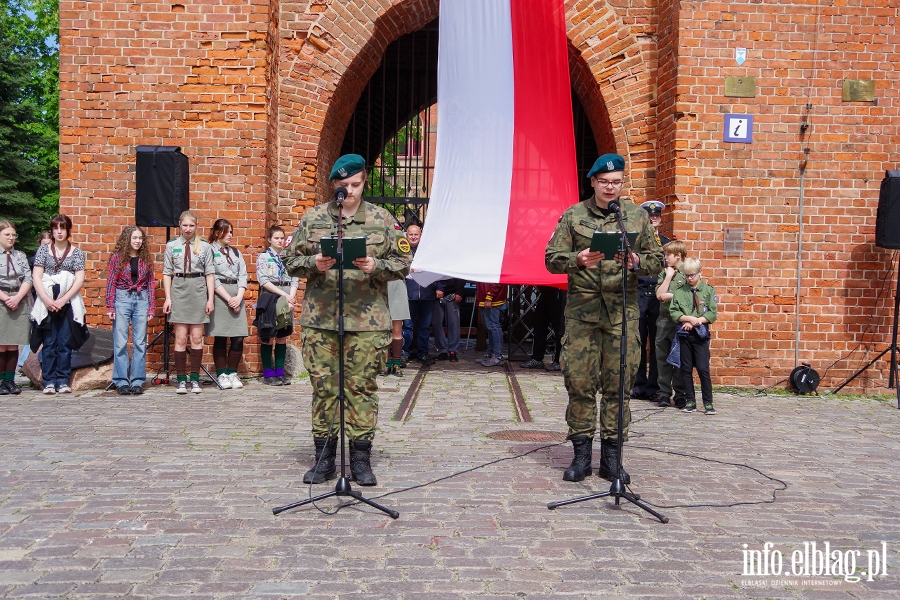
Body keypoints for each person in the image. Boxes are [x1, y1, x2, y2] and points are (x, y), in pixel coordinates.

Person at [284, 153, 411, 486]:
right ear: (334, 186)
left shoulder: (383, 219)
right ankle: (324, 460)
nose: (350, 191)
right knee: (324, 389)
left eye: (356, 184)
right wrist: (314, 262)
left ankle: (360, 460)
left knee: (361, 388)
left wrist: (377, 266)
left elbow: (404, 263)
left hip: (367, 324)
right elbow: (289, 260)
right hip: (321, 320)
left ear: (364, 181)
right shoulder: (312, 219)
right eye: (344, 186)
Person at [545, 153, 664, 484]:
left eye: (617, 182)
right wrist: (577, 259)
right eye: (605, 182)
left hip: (620, 314)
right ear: (593, 182)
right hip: (582, 313)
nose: (611, 188)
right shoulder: (574, 215)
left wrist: (638, 261)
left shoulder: (636, 217)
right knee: (579, 383)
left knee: (619, 384)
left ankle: (612, 458)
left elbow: (657, 260)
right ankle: (581, 457)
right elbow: (551, 259)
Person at [31, 214, 87, 394]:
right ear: (52, 230)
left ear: (68, 230)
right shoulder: (43, 251)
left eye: (63, 228)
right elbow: (37, 277)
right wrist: (47, 300)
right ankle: (48, 380)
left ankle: (62, 379)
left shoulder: (77, 252)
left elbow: (79, 279)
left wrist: (63, 299)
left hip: (68, 302)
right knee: (49, 343)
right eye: (56, 228)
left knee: (64, 342)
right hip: (47, 301)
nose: (59, 232)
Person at [162, 211, 215, 394]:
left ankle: (194, 379)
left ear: (196, 226)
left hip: (198, 289)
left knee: (196, 337)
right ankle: (181, 379)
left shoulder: (205, 246)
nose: (188, 229)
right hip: (179, 289)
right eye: (185, 225)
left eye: (191, 226)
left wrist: (210, 299)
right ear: (179, 225)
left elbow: (209, 273)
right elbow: (167, 273)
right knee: (181, 337)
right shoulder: (172, 246)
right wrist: (168, 298)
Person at [105, 226, 155, 395]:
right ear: (127, 239)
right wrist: (110, 305)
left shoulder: (146, 259)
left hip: (141, 299)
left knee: (140, 342)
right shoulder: (117, 258)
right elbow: (111, 282)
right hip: (122, 298)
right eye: (134, 238)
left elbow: (150, 285)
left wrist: (151, 307)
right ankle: (121, 381)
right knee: (120, 342)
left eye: (140, 238)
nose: (137, 241)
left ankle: (137, 380)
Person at [631, 200, 670, 401]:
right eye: (649, 216)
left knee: (657, 342)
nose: (653, 218)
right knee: (637, 341)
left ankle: (654, 386)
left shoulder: (666, 244)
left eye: (656, 216)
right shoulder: (636, 244)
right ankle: (638, 384)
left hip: (657, 295)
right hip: (639, 292)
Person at [669, 257, 718, 414]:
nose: (690, 278)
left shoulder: (708, 290)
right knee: (686, 369)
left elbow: (712, 312)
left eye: (692, 275)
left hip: (700, 335)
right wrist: (688, 319)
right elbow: (674, 311)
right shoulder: (679, 291)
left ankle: (708, 403)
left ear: (700, 273)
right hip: (684, 334)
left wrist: (696, 321)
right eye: (687, 275)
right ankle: (690, 401)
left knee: (703, 369)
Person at [206, 219, 249, 390]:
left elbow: (243, 275)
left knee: (238, 336)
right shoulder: (210, 250)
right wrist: (228, 299)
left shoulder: (236, 253)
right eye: (227, 231)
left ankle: (232, 373)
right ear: (217, 233)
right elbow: (211, 275)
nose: (230, 235)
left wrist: (238, 297)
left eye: (232, 232)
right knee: (221, 336)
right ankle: (222, 374)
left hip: (236, 294)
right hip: (220, 294)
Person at [254, 225, 298, 386]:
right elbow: (264, 280)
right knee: (268, 334)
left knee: (282, 334)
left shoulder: (287, 257)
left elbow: (294, 278)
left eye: (282, 238)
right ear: (269, 240)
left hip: (287, 298)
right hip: (271, 297)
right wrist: (284, 295)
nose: (280, 241)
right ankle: (267, 372)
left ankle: (280, 371)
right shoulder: (264, 257)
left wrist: (291, 297)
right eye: (276, 238)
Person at [654, 240, 689, 408]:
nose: (665, 257)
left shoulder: (689, 272)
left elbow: (690, 296)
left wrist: (672, 295)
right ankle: (664, 393)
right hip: (664, 318)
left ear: (678, 255)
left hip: (680, 320)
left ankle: (680, 394)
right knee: (662, 357)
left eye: (668, 255)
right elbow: (660, 295)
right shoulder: (665, 273)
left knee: (681, 358)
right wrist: (668, 277)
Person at [0, 221, 33, 394]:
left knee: (13, 345)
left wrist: (18, 297)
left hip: (18, 301)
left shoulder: (20, 255)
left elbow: (28, 278)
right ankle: (0, 382)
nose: (11, 237)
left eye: (13, 235)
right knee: (1, 344)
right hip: (1, 300)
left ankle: (10, 381)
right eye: (7, 234)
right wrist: (6, 298)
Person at [402, 224, 437, 365]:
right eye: (411, 234)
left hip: (427, 294)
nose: (413, 237)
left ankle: (423, 353)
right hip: (409, 294)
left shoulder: (427, 251)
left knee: (424, 327)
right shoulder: (402, 251)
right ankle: (405, 352)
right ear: (407, 235)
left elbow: (437, 269)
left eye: (416, 234)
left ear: (421, 236)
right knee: (407, 326)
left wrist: (439, 287)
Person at [520, 286, 566, 372]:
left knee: (559, 328)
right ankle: (537, 359)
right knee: (539, 325)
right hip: (546, 289)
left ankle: (559, 361)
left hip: (558, 289)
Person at [475, 282, 507, 367]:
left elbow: (496, 282)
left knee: (493, 326)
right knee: (489, 326)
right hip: (485, 297)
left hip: (492, 299)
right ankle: (492, 354)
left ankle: (497, 356)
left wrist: (489, 297)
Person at [382, 278, 410, 376]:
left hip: (397, 286)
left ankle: (396, 364)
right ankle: (387, 363)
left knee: (397, 330)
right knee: (384, 331)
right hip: (381, 286)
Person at [433, 277, 463, 362]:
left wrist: (459, 292)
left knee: (453, 324)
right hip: (436, 295)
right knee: (436, 323)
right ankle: (442, 350)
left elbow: (461, 275)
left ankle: (453, 351)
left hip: (452, 294)